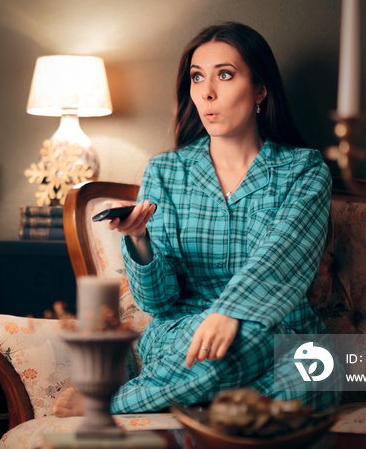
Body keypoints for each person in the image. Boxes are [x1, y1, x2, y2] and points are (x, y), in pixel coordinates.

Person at [54, 21, 339, 418]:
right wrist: (140, 241)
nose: (207, 92)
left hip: (282, 334)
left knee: (316, 374)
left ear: (260, 89)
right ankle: (179, 395)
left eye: (225, 75)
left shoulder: (304, 171)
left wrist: (231, 313)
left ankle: (172, 403)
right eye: (197, 77)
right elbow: (158, 301)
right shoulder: (166, 172)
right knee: (222, 348)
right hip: (185, 334)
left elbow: (283, 254)